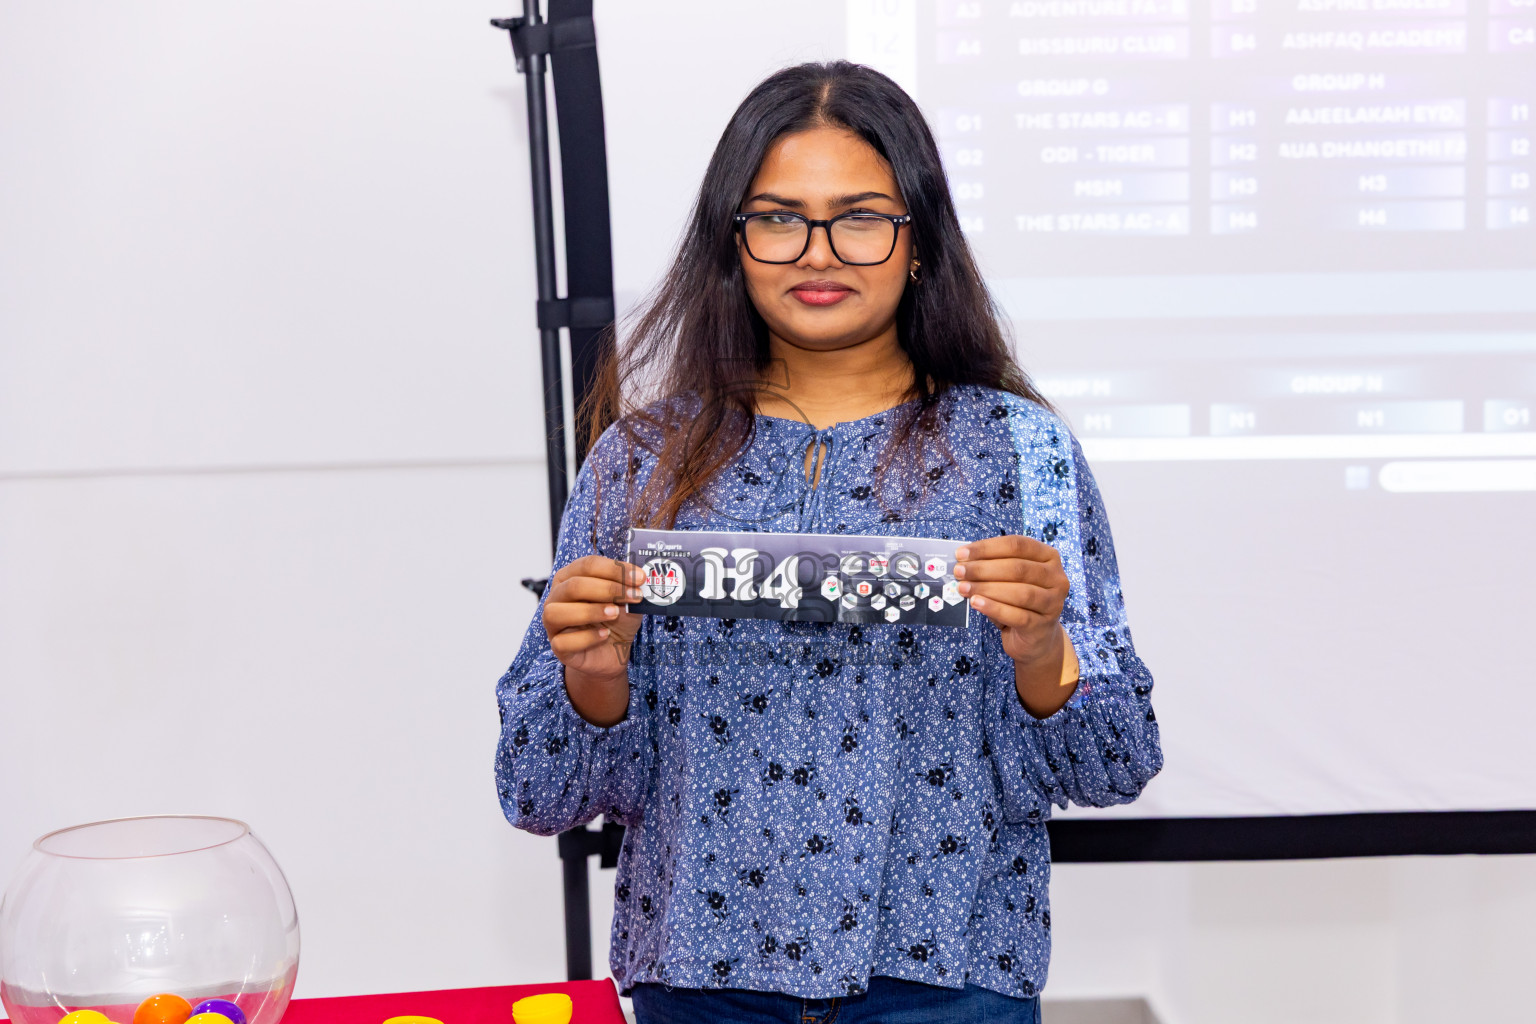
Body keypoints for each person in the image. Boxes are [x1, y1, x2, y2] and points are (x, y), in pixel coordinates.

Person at [495, 61, 1162, 1024]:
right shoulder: (640, 459)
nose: (819, 253)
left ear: (919, 239)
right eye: (777, 218)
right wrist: (595, 684)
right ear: (733, 242)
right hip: (699, 982)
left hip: (947, 979)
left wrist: (1042, 655)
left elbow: (1114, 762)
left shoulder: (1021, 452)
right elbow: (539, 789)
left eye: (860, 217)